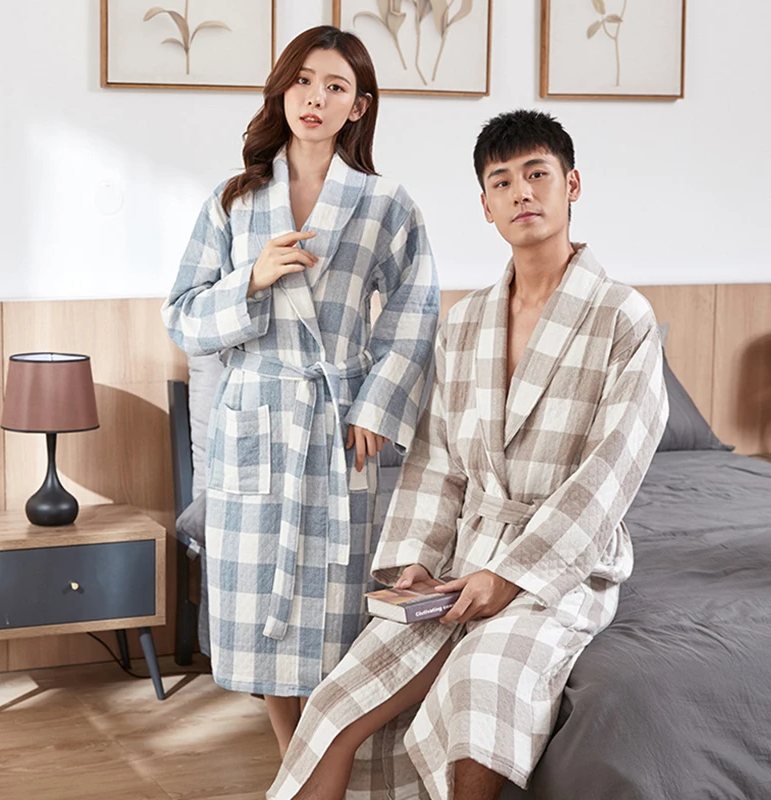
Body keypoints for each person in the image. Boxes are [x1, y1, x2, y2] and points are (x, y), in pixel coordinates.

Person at [267, 109, 669, 799]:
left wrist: (508, 577)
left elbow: (609, 475)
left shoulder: (622, 316)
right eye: (502, 182)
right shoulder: (465, 322)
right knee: (336, 702)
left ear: (571, 185)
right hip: (462, 558)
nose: (522, 193)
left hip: (561, 570)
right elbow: (437, 461)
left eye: (537, 174)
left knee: (481, 683)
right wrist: (419, 563)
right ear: (486, 205)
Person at [161, 26, 439, 758]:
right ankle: (299, 768)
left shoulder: (386, 203)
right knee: (262, 612)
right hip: (255, 420)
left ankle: (320, 765)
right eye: (303, 80)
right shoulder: (234, 200)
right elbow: (182, 317)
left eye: (336, 86)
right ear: (282, 90)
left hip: (342, 424)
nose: (316, 97)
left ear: (359, 106)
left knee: (339, 609)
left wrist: (376, 405)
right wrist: (250, 280)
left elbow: (416, 315)